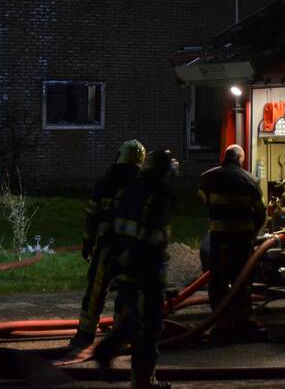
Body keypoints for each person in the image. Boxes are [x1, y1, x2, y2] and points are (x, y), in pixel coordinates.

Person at [93, 148, 178, 389]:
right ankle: (141, 380)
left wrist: (113, 257)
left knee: (134, 318)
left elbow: (107, 223)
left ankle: (111, 354)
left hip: (123, 264)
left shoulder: (129, 189)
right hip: (145, 269)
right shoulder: (160, 194)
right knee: (150, 326)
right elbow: (151, 235)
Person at [68, 139, 145, 350]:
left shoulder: (105, 183)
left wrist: (87, 242)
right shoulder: (142, 186)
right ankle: (121, 337)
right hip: (132, 250)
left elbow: (92, 215)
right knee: (128, 294)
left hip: (107, 247)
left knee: (96, 291)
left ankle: (85, 335)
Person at [198, 144, 266, 339]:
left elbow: (203, 199)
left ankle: (221, 321)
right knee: (241, 281)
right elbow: (261, 213)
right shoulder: (250, 180)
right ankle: (241, 322)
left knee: (217, 280)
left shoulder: (207, 177)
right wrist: (254, 235)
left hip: (218, 238)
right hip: (242, 241)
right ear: (240, 159)